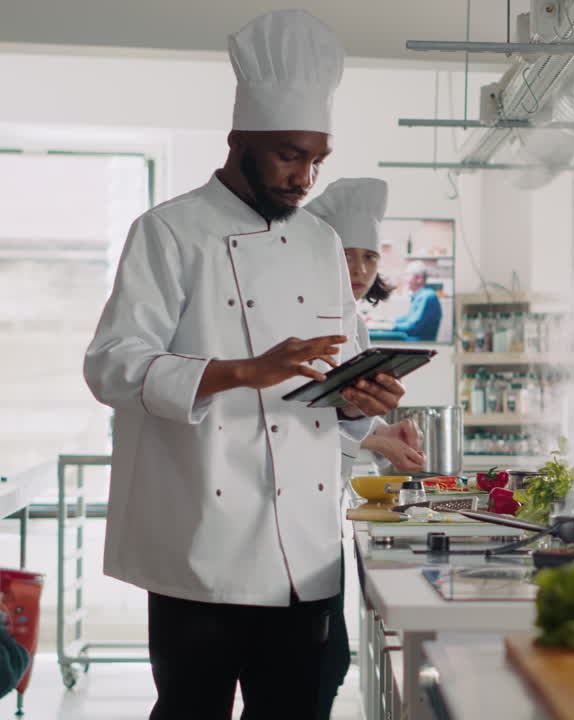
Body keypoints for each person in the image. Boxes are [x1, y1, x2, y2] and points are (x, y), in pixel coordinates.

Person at [82, 11, 408, 719]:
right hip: (202, 541)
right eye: (289, 155)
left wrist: (360, 400)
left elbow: (334, 382)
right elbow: (112, 365)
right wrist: (242, 371)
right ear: (239, 142)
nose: (306, 176)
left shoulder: (322, 243)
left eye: (317, 158)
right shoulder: (168, 232)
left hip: (305, 548)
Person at [304, 177, 425, 719]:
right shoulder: (308, 317)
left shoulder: (352, 318)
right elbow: (297, 417)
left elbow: (331, 416)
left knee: (325, 665)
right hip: (289, 516)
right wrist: (369, 427)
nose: (358, 270)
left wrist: (382, 434)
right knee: (317, 667)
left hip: (318, 510)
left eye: (368, 258)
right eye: (347, 256)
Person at [369, 261, 443, 342]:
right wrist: (382, 320)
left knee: (372, 336)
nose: (405, 280)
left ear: (419, 278)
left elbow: (412, 327)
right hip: (413, 338)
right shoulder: (421, 295)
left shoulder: (427, 297)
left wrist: (386, 326)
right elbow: (407, 319)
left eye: (408, 276)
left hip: (417, 342)